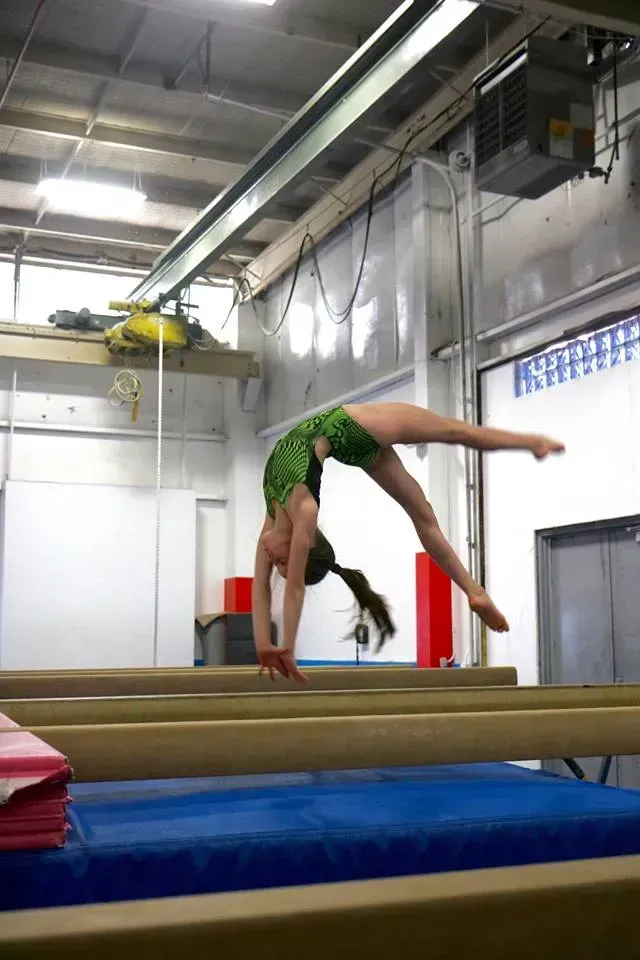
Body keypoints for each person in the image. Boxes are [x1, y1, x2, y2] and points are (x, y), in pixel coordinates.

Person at [252, 402, 564, 684]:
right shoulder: (301, 511)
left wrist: (277, 646)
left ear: (297, 547)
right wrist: (269, 645)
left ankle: (530, 443)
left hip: (349, 432)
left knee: (453, 435)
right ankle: (474, 591)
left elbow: (275, 586)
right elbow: (278, 586)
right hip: (349, 431)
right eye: (282, 563)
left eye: (280, 563)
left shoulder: (275, 512)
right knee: (425, 509)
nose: (271, 559)